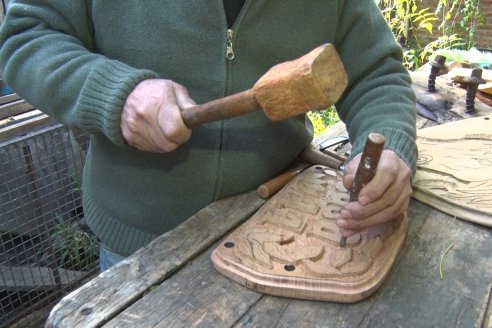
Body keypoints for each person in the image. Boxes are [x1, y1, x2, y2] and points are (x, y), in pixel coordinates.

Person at [0, 0, 416, 271]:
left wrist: (390, 147)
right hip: (142, 249)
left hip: (282, 232)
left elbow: (374, 73)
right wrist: (116, 94)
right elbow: (27, 37)